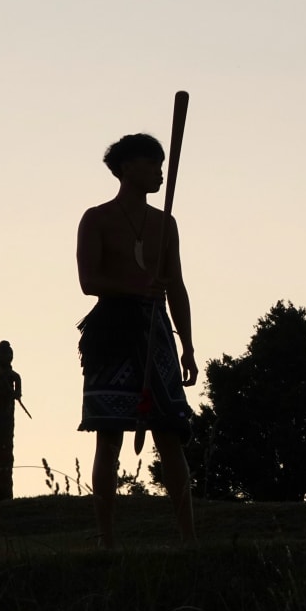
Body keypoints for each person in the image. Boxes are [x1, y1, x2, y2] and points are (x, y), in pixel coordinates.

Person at [76, 133, 198, 548]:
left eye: (162, 165)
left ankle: (188, 538)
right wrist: (134, 286)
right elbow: (89, 281)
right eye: (152, 164)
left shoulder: (166, 224)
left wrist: (189, 345)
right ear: (127, 168)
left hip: (156, 332)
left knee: (169, 433)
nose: (160, 173)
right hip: (112, 329)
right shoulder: (97, 218)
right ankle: (106, 538)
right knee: (109, 434)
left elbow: (177, 286)